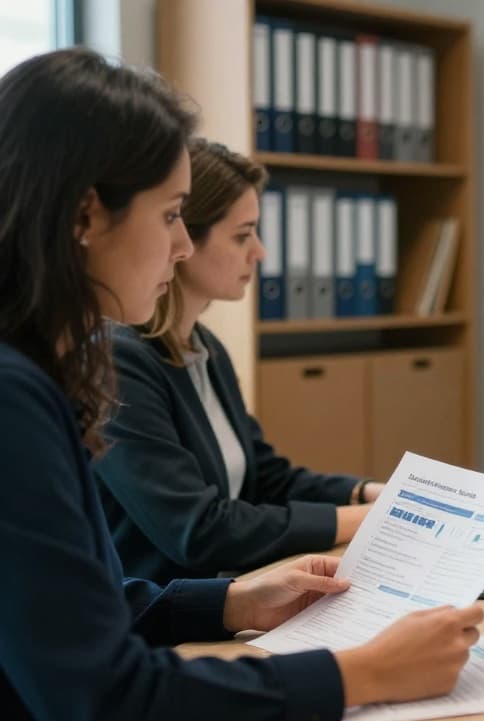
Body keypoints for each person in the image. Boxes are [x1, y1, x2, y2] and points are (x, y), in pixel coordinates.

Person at [0, 48, 482, 721]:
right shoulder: (12, 397)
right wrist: (367, 671)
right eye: (170, 216)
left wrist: (227, 602)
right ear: (84, 216)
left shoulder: (39, 373)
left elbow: (63, 612)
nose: (183, 245)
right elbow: (112, 707)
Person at [94, 138, 382, 584]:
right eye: (243, 235)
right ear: (186, 237)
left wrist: (364, 493)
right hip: (169, 622)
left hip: (232, 595)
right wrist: (359, 520)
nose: (261, 253)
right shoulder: (118, 361)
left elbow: (264, 478)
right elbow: (199, 530)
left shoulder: (203, 347)